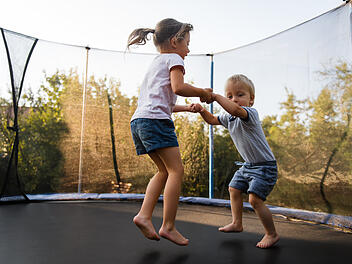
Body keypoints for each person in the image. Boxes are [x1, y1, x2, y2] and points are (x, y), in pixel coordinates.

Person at [127, 18, 213, 246]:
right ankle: (168, 226)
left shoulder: (156, 63)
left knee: (163, 171)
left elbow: (165, 102)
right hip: (155, 122)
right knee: (176, 170)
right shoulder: (174, 58)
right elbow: (179, 88)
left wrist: (187, 107)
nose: (188, 49)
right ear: (175, 41)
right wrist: (202, 92)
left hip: (139, 121)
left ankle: (144, 216)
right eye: (187, 43)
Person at [192, 74, 280, 249]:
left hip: (264, 166)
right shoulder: (228, 118)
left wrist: (216, 97)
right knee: (233, 189)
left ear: (251, 99)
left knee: (254, 200)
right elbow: (212, 120)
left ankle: (272, 234)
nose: (234, 100)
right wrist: (202, 110)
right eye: (230, 96)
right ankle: (237, 223)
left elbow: (235, 110)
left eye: (240, 95)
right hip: (248, 165)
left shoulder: (250, 114)